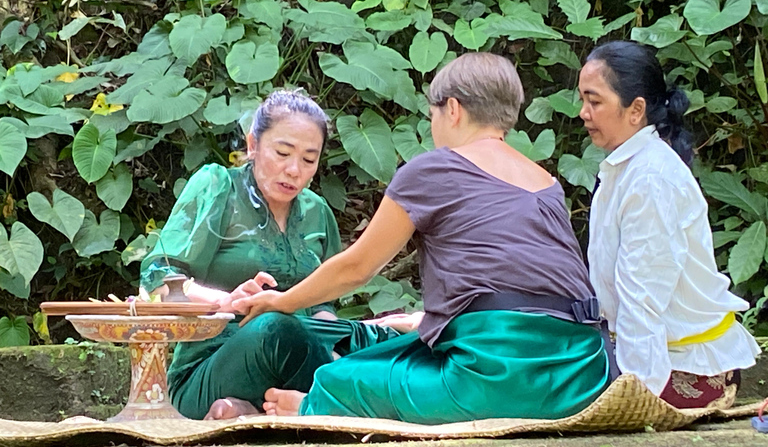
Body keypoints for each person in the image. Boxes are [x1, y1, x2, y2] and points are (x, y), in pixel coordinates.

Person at [231, 52, 612, 424]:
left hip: (495, 376)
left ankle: (312, 409)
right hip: (583, 371)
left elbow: (358, 267)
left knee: (339, 378)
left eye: (432, 114)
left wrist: (282, 301)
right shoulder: (546, 182)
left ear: (453, 109)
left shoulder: (433, 168)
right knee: (393, 349)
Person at [139, 89, 397, 420]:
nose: (294, 170)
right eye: (282, 152)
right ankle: (335, 398)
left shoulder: (317, 212)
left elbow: (322, 308)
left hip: (300, 363)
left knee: (391, 341)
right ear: (253, 145)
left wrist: (340, 341)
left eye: (308, 159)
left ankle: (265, 410)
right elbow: (158, 279)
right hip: (212, 366)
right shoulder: (218, 187)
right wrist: (225, 301)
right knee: (274, 328)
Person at [578, 40, 760, 408]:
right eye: (583, 100)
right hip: (642, 350)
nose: (583, 113)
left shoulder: (650, 179)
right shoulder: (628, 167)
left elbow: (642, 297)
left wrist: (632, 395)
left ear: (636, 110)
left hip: (684, 367)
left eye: (594, 102)